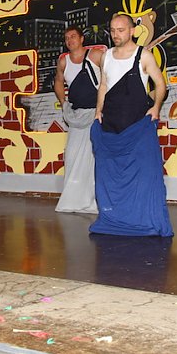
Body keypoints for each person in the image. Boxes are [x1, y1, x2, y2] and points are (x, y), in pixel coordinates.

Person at [89, 14, 173, 237]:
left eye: (121, 30)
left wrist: (156, 107)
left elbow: (160, 83)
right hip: (111, 126)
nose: (116, 34)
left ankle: (144, 220)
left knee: (144, 176)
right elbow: (104, 86)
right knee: (110, 176)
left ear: (133, 31)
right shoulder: (106, 56)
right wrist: (99, 111)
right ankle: (115, 219)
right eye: (113, 30)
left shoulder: (143, 55)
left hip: (138, 126)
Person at [53, 26, 104, 214]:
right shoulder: (63, 61)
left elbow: (109, 79)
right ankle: (71, 201)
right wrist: (63, 102)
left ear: (82, 39)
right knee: (72, 156)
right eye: (67, 38)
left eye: (73, 36)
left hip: (96, 115)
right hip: (76, 116)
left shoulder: (96, 56)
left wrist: (103, 106)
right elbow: (58, 81)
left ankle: (92, 202)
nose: (70, 40)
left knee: (94, 158)